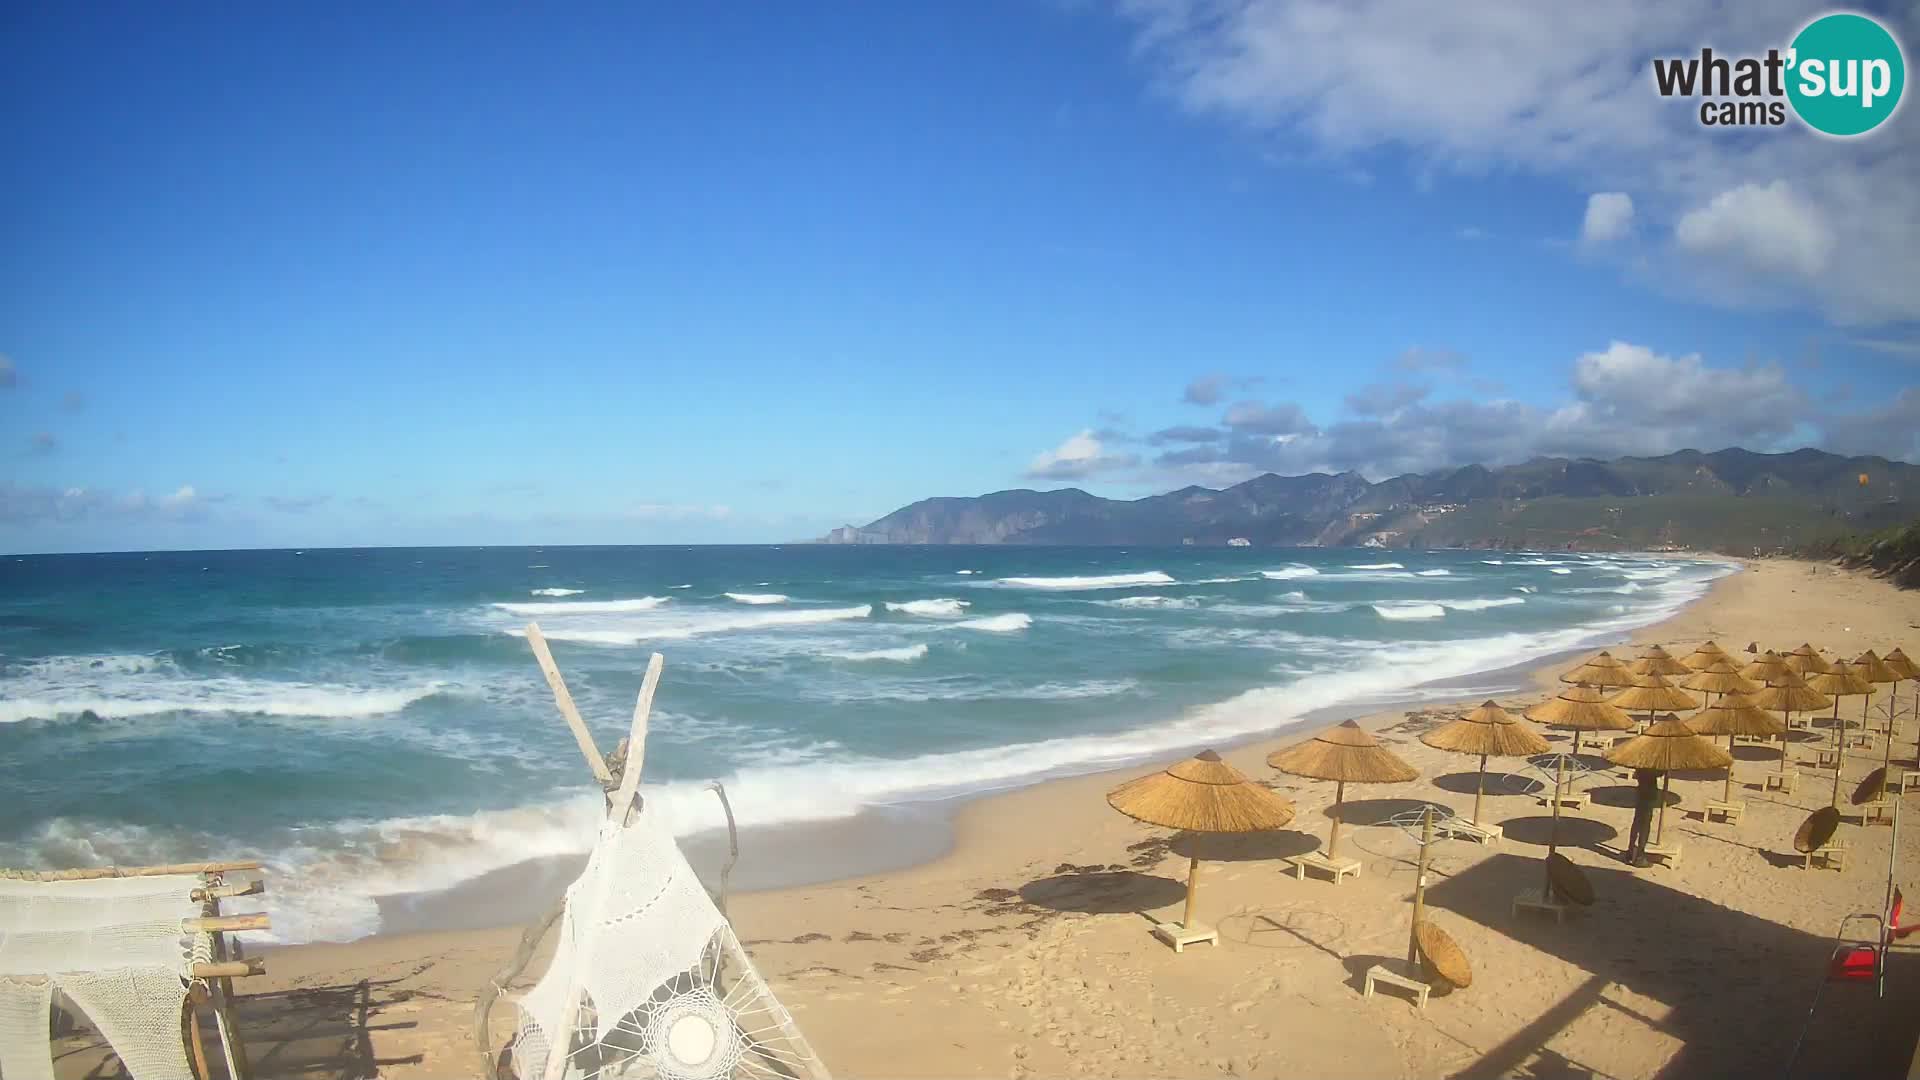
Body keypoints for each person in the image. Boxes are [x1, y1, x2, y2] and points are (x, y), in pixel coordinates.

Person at [1625, 767, 1659, 866]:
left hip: (1641, 792)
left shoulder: (1640, 762)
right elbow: (1655, 773)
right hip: (1648, 794)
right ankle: (1640, 857)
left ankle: (1630, 851)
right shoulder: (1650, 764)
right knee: (1645, 825)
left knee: (1637, 822)